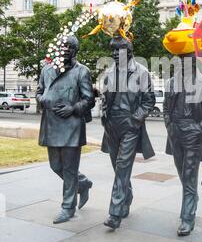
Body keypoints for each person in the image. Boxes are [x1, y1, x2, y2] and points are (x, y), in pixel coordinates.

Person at [36, 35, 95, 224]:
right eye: (62, 46)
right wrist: (41, 99)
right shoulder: (46, 70)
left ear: (75, 51)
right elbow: (38, 92)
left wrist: (73, 108)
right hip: (51, 124)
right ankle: (83, 183)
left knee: (69, 169)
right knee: (56, 166)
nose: (65, 49)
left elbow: (89, 99)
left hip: (71, 126)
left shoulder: (81, 71)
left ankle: (68, 207)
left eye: (69, 47)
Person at [101, 35, 155, 230]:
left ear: (129, 51)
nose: (115, 53)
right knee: (118, 167)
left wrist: (136, 119)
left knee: (123, 166)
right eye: (113, 50)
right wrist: (104, 112)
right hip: (112, 125)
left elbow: (149, 100)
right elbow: (106, 98)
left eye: (119, 50)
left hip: (130, 124)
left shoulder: (141, 72)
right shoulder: (109, 72)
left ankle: (114, 213)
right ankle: (127, 196)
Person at [164, 53, 202, 236]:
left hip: (193, 131)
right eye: (179, 59)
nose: (182, 63)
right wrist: (168, 124)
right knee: (182, 172)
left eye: (186, 59)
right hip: (175, 131)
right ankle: (192, 197)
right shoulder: (171, 82)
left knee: (189, 173)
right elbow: (166, 107)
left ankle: (187, 217)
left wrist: (199, 128)